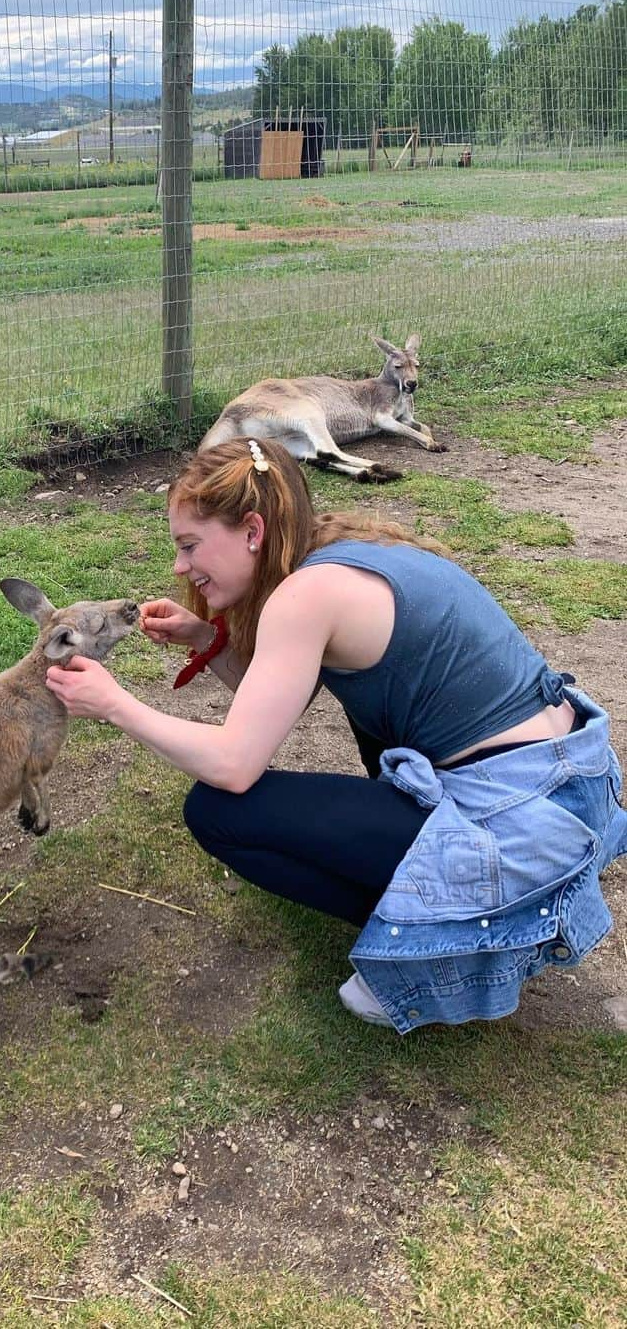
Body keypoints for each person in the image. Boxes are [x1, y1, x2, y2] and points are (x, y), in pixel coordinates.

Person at [46, 438, 627, 1031]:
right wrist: (205, 638)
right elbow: (272, 695)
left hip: (519, 821)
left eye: (190, 546)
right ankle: (454, 904)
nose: (180, 567)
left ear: (251, 530)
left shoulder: (303, 596)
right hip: (571, 784)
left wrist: (116, 704)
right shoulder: (332, 554)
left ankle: (456, 936)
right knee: (366, 716)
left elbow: (234, 763)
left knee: (217, 811)